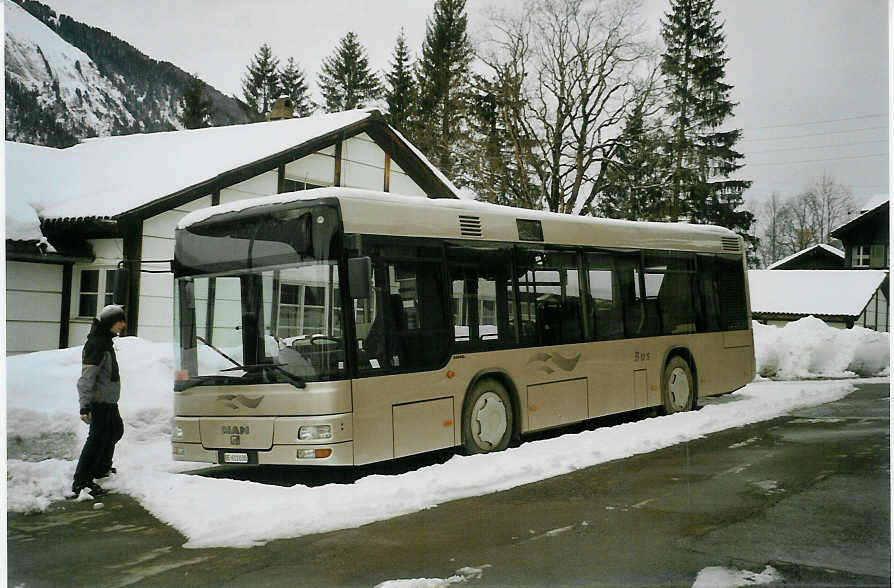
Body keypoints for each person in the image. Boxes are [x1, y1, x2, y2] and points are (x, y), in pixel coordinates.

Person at [71, 304, 126, 497]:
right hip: (99, 402)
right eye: (120, 320)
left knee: (115, 430)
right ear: (111, 322)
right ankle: (81, 481)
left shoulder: (105, 341)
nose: (123, 324)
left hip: (109, 401)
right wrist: (85, 406)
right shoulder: (97, 344)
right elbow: (87, 377)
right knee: (96, 439)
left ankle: (101, 469)